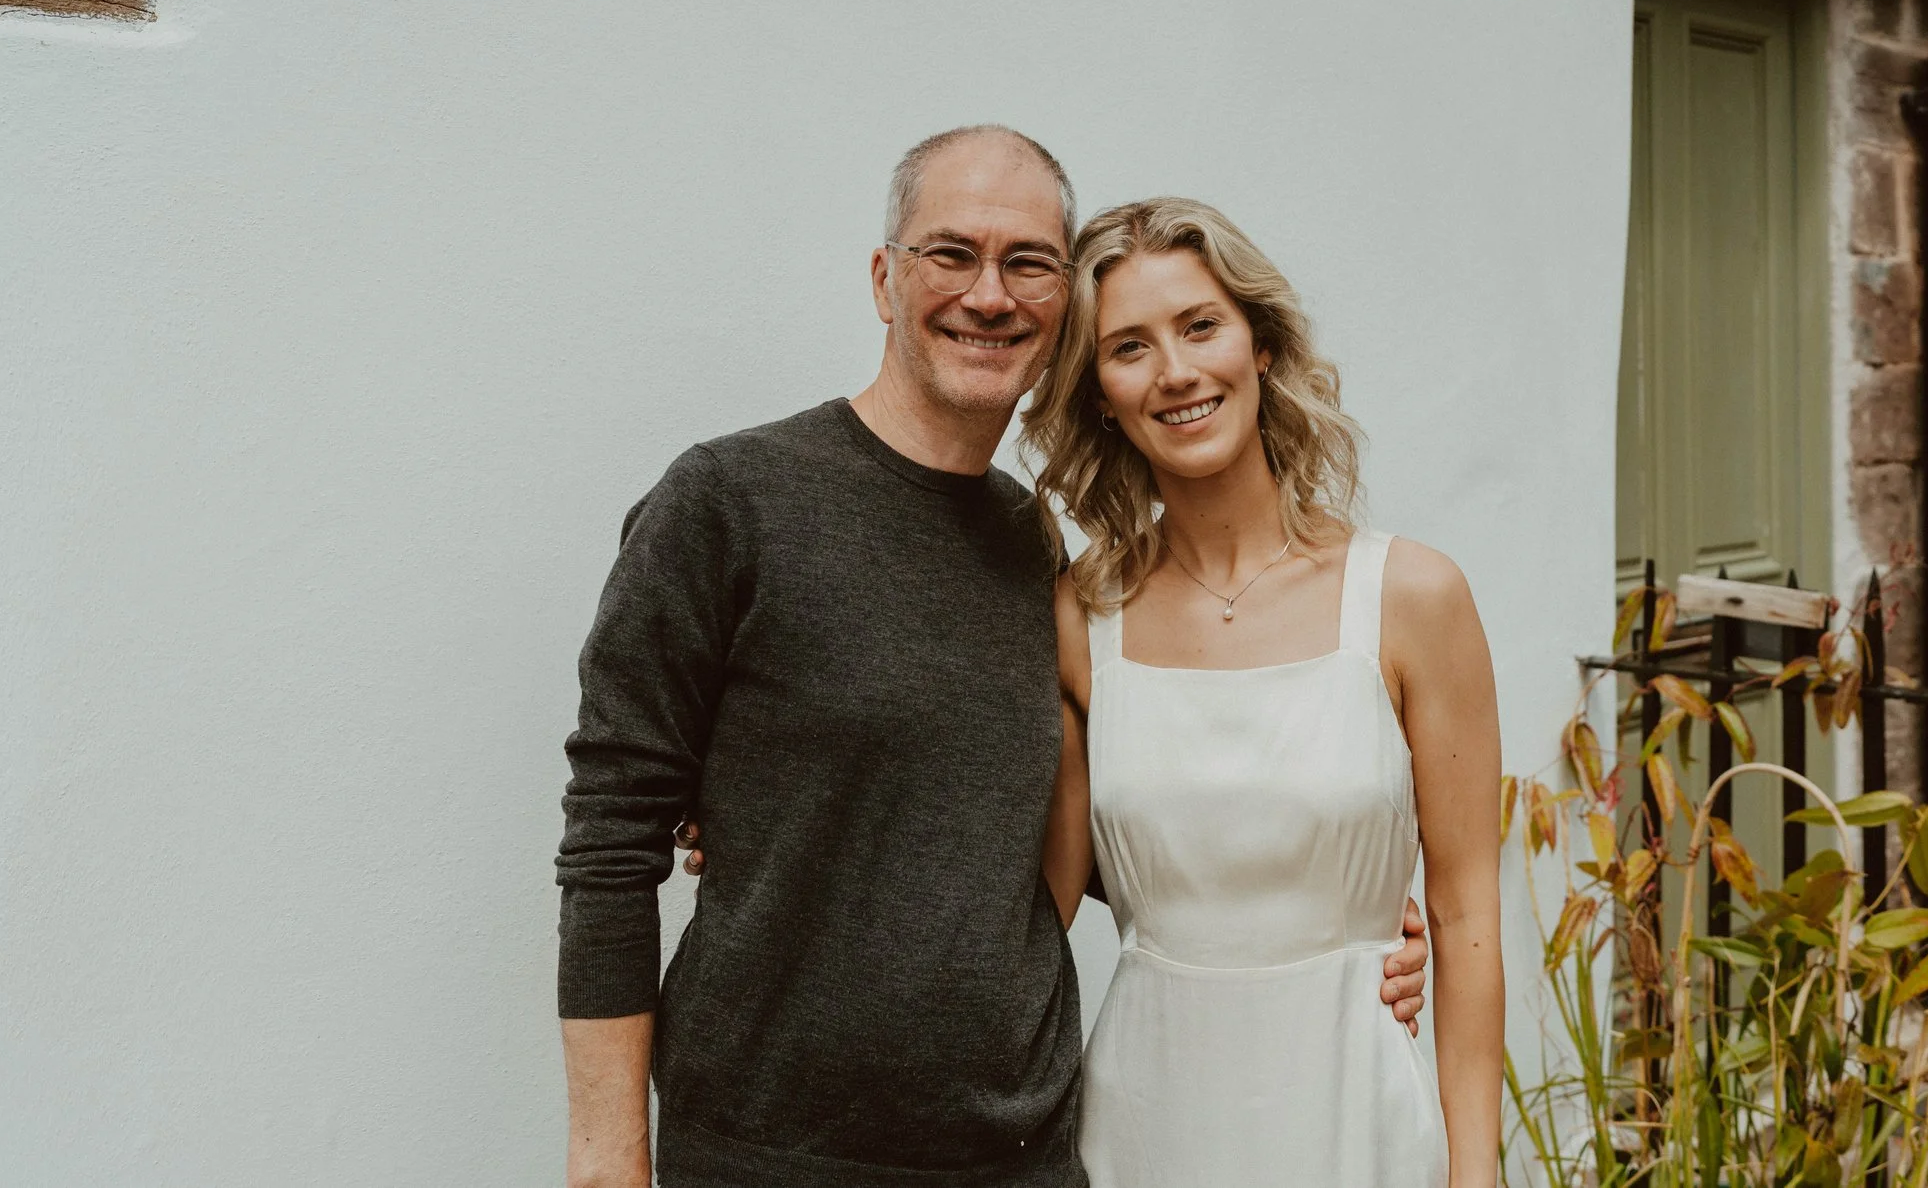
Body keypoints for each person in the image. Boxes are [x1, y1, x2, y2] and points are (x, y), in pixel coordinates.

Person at [554, 127, 1428, 1188]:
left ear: (1063, 308)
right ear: (885, 278)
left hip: (1021, 1152)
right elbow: (611, 836)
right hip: (770, 1154)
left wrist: (1319, 895)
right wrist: (607, 1159)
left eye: (1027, 262)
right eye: (949, 253)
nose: (988, 293)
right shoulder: (729, 503)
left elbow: (1082, 821)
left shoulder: (1039, 552)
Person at [1028, 197, 1506, 1188]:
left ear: (1264, 346)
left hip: (1353, 1108)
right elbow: (1031, 893)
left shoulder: (1411, 595)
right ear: (1100, 396)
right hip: (1146, 1114)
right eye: (1129, 347)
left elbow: (1464, 909)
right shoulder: (1078, 617)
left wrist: (1477, 1170)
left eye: (1200, 325)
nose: (1175, 371)